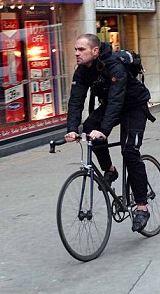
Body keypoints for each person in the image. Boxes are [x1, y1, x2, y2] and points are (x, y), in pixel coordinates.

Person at [64, 34, 155, 232]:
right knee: (89, 128)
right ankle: (110, 170)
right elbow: (76, 101)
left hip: (133, 105)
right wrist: (72, 129)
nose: (76, 53)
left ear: (95, 51)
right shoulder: (81, 71)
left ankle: (142, 206)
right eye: (75, 50)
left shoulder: (114, 66)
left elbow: (117, 99)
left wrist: (104, 131)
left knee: (130, 150)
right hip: (111, 106)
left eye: (81, 50)